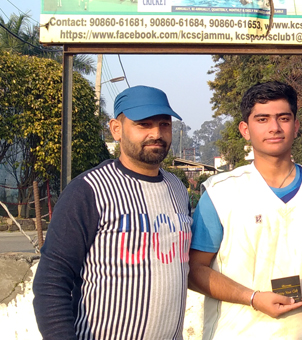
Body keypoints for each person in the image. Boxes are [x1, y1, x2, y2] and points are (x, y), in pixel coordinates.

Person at [188, 81, 302, 340]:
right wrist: (252, 298)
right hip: (237, 333)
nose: (274, 128)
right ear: (245, 129)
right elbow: (195, 270)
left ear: (295, 126)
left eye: (283, 118)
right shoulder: (220, 193)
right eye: (262, 119)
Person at [32, 86, 192, 339]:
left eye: (164, 124)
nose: (157, 133)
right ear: (116, 129)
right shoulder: (89, 190)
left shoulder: (177, 189)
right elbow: (52, 280)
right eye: (143, 124)